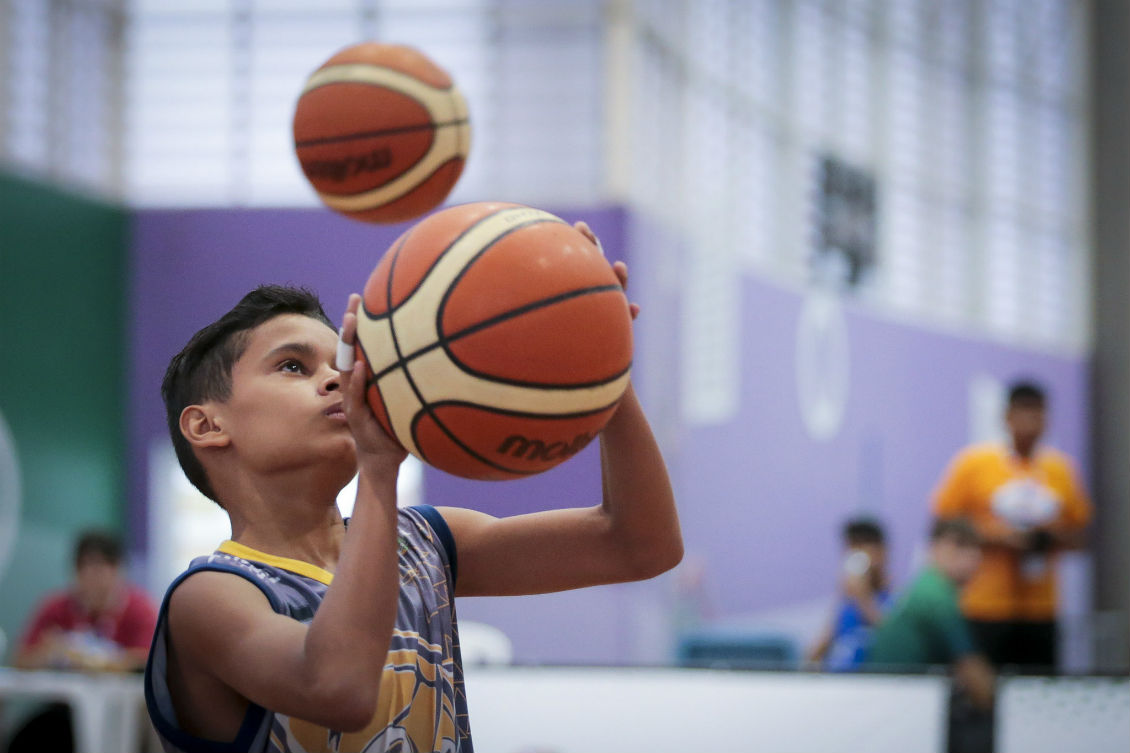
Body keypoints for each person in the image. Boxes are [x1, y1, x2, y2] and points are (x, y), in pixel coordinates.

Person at [144, 228, 682, 753]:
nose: (336, 379)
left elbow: (641, 544)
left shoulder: (426, 542)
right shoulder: (211, 597)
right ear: (207, 427)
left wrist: (604, 367)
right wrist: (380, 470)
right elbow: (339, 688)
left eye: (340, 363)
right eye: (293, 366)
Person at [931, 380, 1091, 671]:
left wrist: (1049, 537)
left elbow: (1082, 534)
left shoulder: (1060, 470)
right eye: (1023, 414)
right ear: (1006, 417)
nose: (1030, 423)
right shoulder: (975, 464)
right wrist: (999, 537)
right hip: (984, 604)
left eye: (1037, 414)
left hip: (1040, 607)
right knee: (984, 696)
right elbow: (943, 523)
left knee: (1038, 693)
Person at [7, 529, 158, 753]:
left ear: (117, 569)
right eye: (83, 567)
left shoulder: (139, 609)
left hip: (125, 716)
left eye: (98, 567)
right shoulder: (56, 607)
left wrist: (99, 663)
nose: (90, 576)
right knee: (30, 738)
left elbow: (147, 661)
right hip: (67, 712)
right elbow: (20, 660)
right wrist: (50, 652)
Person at [865, 519, 995, 753]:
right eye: (957, 546)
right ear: (935, 548)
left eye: (974, 548)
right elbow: (974, 673)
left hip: (896, 706)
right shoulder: (935, 595)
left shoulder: (926, 586)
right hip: (901, 709)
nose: (972, 558)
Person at [807, 516, 893, 671]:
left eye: (864, 546)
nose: (857, 556)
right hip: (839, 686)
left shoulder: (898, 602)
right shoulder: (846, 604)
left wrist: (863, 597)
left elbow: (894, 640)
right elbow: (814, 655)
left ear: (882, 551)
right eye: (852, 548)